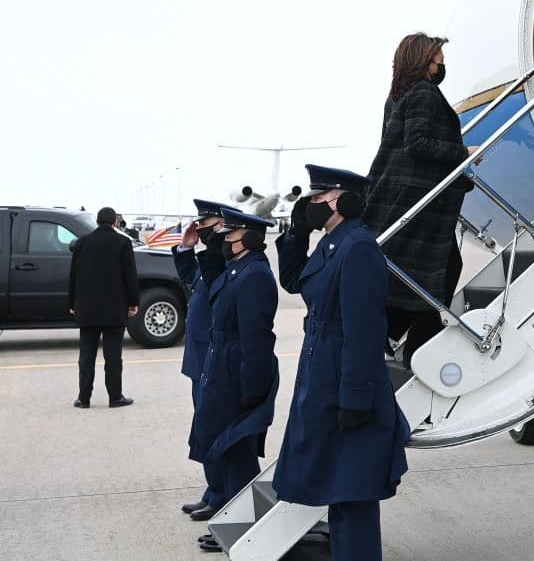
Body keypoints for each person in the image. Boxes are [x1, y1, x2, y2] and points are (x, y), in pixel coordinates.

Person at [274, 164, 410, 561]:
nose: (312, 204)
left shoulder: (359, 247)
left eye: (319, 198)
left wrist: (355, 398)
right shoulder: (332, 242)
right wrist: (297, 232)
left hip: (343, 379)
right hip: (322, 373)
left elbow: (364, 331)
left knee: (353, 490)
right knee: (336, 483)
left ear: (344, 201)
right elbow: (295, 280)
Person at [363, 33, 476, 368]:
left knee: (403, 274)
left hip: (393, 193)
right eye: (438, 58)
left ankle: (389, 335)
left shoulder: (397, 94)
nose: (442, 64)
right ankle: (415, 348)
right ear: (424, 60)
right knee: (442, 274)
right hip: (419, 200)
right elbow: (418, 144)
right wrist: (463, 154)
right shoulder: (425, 92)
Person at [188, 208, 279, 532]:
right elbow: (213, 285)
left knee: (237, 451)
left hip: (236, 371)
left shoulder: (255, 274)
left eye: (231, 235)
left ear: (250, 239)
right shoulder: (238, 269)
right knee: (222, 447)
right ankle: (228, 518)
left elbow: (256, 337)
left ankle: (241, 528)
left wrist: (252, 386)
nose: (225, 240)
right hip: (223, 367)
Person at [172, 200, 229, 519]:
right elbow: (192, 278)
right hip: (199, 358)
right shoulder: (210, 261)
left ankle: (220, 494)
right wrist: (185, 247)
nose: (201, 228)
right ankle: (213, 490)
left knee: (213, 426)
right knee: (205, 427)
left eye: (206, 224)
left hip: (211, 358)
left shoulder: (223, 260)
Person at [68, 206, 139, 409]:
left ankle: (84, 398)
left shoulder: (82, 243)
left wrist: (72, 303)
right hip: (114, 309)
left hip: (87, 309)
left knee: (86, 356)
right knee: (113, 356)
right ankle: (115, 397)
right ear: (115, 221)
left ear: (98, 221)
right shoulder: (123, 242)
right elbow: (130, 276)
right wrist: (133, 303)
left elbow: (73, 275)